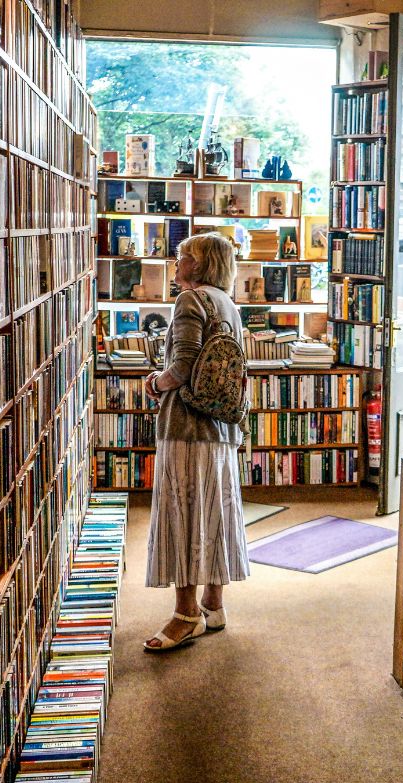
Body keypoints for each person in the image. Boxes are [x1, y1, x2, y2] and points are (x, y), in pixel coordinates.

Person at [141, 232, 250, 652]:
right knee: (214, 513)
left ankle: (186, 616)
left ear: (200, 264)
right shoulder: (227, 303)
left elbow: (182, 367)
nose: (176, 260)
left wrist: (155, 383)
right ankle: (213, 605)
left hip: (187, 428)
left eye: (183, 255)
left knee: (182, 516)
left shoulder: (189, 300)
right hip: (220, 426)